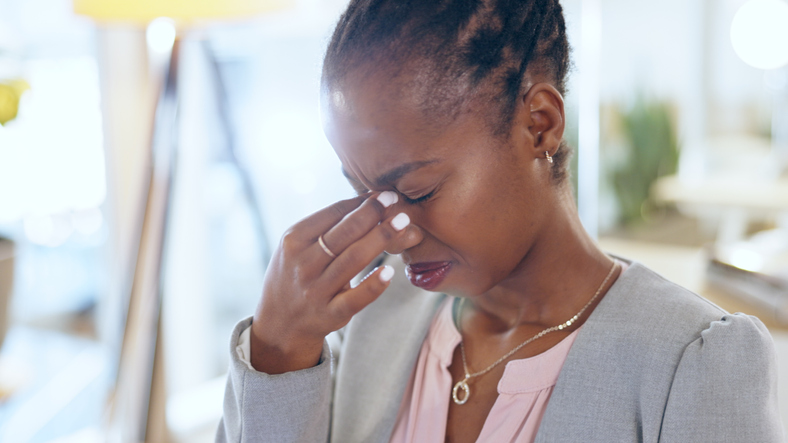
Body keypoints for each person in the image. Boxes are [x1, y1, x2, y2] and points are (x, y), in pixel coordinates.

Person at [216, 0, 784, 441]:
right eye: (362, 191)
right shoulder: (368, 325)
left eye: (417, 189)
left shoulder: (692, 363)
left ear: (540, 124)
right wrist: (277, 353)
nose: (394, 229)